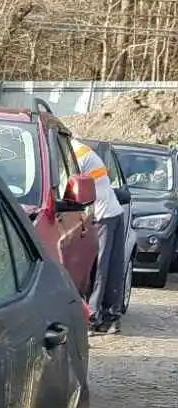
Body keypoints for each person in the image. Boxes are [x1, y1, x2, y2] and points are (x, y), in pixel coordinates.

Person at [73, 138, 130, 334]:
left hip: (103, 214)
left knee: (100, 267)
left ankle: (93, 318)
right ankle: (111, 317)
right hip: (112, 211)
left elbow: (66, 187)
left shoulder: (73, 153)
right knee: (112, 266)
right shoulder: (80, 149)